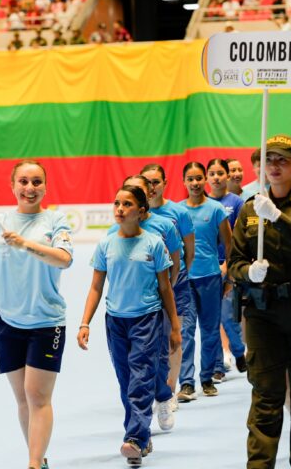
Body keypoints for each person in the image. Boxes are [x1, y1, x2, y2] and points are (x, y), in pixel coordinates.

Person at [0, 160, 73, 469]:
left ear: (45, 187)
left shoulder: (56, 221)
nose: (30, 188)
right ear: (13, 187)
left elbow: (64, 260)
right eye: (23, 182)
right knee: (23, 399)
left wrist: (26, 244)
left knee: (38, 397)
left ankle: (34, 465)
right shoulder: (0, 221)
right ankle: (38, 459)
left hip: (46, 323)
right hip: (7, 323)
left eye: (36, 182)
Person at [228, 134, 291, 469]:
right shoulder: (249, 209)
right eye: (268, 160)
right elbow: (234, 263)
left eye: (282, 160)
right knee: (265, 398)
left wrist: (277, 217)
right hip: (263, 314)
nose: (274, 166)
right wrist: (248, 274)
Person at [77, 185, 181, 466]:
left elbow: (165, 288)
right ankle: (142, 437)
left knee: (141, 378)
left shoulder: (153, 244)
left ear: (142, 211)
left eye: (127, 204)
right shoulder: (106, 244)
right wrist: (84, 322)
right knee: (126, 381)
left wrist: (174, 325)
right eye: (116, 203)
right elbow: (96, 286)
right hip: (115, 322)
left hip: (147, 319)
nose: (120, 209)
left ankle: (133, 437)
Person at [108, 175, 182, 430]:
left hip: (156, 304)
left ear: (144, 201)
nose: (122, 207)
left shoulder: (163, 226)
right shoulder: (113, 232)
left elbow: (175, 261)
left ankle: (162, 397)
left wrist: (167, 298)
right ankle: (139, 423)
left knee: (159, 358)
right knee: (134, 366)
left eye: (136, 193)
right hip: (125, 311)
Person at [140, 163, 196, 407]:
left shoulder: (178, 213)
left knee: (174, 336)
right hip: (147, 286)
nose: (152, 187)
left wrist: (176, 279)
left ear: (165, 183)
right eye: (147, 182)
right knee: (151, 340)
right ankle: (152, 385)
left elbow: (188, 251)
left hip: (177, 283)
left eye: (156, 182)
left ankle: (169, 390)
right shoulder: (136, 215)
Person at [179, 162, 232, 399]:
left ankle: (207, 377)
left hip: (211, 277)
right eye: (190, 179)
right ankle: (187, 382)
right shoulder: (177, 211)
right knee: (186, 331)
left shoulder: (216, 209)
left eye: (198, 178)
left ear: (205, 180)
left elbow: (230, 246)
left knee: (210, 329)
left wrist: (227, 273)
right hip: (185, 280)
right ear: (184, 182)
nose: (195, 183)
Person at [206, 158, 247, 376]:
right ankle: (217, 366)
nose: (216, 177)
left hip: (229, 268)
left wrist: (228, 266)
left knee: (227, 317)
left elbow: (239, 239)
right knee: (209, 322)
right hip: (206, 270)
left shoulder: (237, 203)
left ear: (226, 176)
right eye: (211, 173)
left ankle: (239, 350)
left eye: (219, 173)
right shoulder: (201, 203)